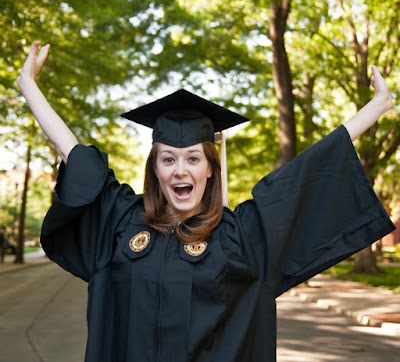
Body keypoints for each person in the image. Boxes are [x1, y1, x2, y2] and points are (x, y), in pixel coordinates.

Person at [17, 41, 394, 362]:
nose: (180, 169)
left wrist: (375, 108)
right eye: (169, 159)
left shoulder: (243, 237)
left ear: (210, 169)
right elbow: (76, 157)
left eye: (193, 158)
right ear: (156, 170)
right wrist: (29, 87)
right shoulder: (121, 223)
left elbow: (309, 173)